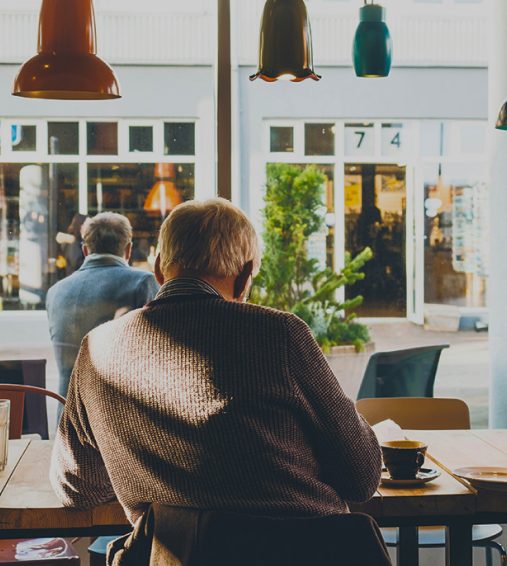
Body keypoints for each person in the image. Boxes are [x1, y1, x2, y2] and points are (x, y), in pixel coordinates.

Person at [50, 198, 382, 527]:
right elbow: (361, 478)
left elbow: (77, 489)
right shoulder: (280, 335)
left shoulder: (97, 349)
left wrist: (143, 467)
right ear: (245, 277)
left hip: (174, 557)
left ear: (159, 268)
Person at [45, 212, 160, 404]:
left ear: (85, 251)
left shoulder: (55, 291)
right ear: (129, 249)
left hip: (67, 417)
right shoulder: (142, 283)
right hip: (119, 416)